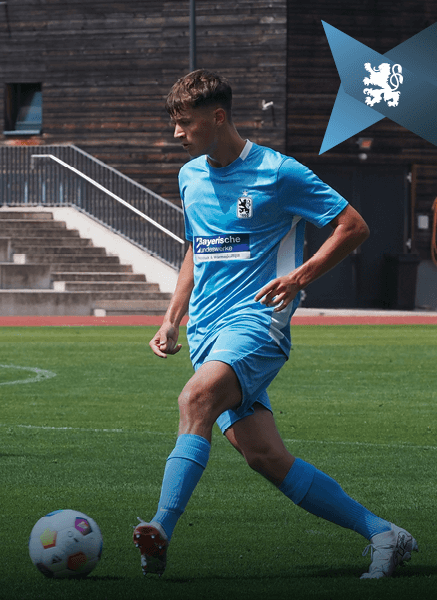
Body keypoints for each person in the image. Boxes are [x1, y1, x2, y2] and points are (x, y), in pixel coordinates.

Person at [134, 70, 418, 579]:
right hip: (207, 332)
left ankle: (160, 529)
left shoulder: (278, 171)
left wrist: (299, 277)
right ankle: (383, 533)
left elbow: (353, 226)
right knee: (264, 455)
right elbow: (196, 251)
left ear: (218, 118)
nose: (177, 134)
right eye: (174, 123)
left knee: (195, 399)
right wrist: (171, 318)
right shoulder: (190, 176)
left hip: (258, 324)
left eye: (186, 124)